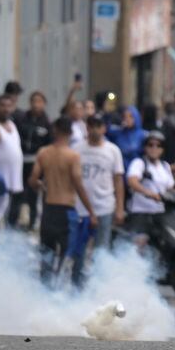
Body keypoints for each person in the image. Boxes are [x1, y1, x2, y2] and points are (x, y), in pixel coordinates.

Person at [28, 118, 97, 287]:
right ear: (71, 133)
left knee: (46, 256)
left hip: (48, 210)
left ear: (54, 131)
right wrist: (91, 212)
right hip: (66, 210)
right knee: (65, 257)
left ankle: (44, 292)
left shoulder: (43, 152)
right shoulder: (73, 156)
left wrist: (40, 184)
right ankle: (60, 295)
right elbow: (78, 184)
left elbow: (33, 180)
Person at [68, 115, 126, 287]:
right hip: (80, 208)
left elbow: (118, 180)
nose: (94, 129)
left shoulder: (113, 150)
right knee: (79, 251)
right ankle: (76, 287)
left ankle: (99, 287)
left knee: (102, 251)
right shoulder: (77, 149)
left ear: (104, 128)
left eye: (98, 126)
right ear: (86, 128)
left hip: (104, 206)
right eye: (91, 125)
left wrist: (120, 208)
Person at [9, 91, 51, 230]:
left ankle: (32, 224)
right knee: (17, 193)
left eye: (39, 101)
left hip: (36, 163)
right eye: (34, 101)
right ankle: (12, 222)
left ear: (44, 104)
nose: (36, 104)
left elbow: (48, 145)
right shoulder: (22, 118)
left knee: (33, 195)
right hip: (21, 161)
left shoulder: (46, 123)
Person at [125, 131, 174, 248]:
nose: (154, 148)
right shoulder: (139, 163)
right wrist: (150, 194)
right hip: (141, 212)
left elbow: (170, 187)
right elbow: (132, 181)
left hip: (160, 213)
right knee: (138, 246)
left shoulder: (165, 166)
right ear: (145, 147)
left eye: (158, 145)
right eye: (150, 145)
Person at [0, 94, 24, 229]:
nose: (6, 109)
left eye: (9, 106)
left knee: (5, 222)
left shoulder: (12, 124)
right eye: (2, 106)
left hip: (11, 183)